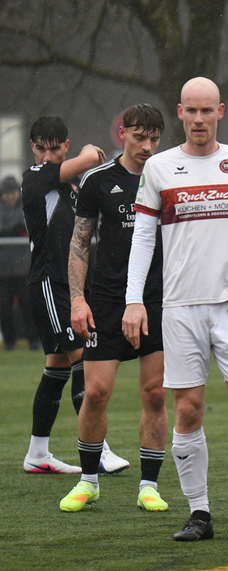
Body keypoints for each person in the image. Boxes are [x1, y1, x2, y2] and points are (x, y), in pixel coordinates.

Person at [123, 77, 228, 541]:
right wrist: (133, 300)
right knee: (187, 412)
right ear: (181, 112)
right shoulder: (161, 168)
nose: (199, 119)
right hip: (181, 308)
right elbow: (144, 236)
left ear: (220, 112)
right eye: (191, 111)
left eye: (207, 111)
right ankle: (199, 512)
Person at [58, 104, 170, 513]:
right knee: (97, 392)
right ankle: (89, 481)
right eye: (140, 137)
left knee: (155, 394)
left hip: (157, 300)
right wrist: (76, 298)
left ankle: (149, 486)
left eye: (155, 138)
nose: (147, 146)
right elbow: (79, 243)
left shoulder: (168, 177)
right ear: (122, 133)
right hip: (104, 300)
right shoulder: (97, 180)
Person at [20, 116, 128, 475]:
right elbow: (89, 159)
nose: (48, 155)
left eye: (55, 148)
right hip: (49, 284)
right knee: (85, 358)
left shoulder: (71, 187)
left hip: (70, 287)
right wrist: (84, 153)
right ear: (33, 148)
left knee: (58, 368)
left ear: (63, 145)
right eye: (41, 148)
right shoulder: (35, 178)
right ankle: (99, 450)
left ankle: (37, 453)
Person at [0, 175, 38, 350]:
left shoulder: (25, 208)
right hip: (3, 270)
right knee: (4, 307)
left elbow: (27, 227)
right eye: (6, 193)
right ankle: (9, 342)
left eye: (13, 191)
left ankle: (34, 340)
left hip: (23, 267)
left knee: (28, 306)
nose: (10, 196)